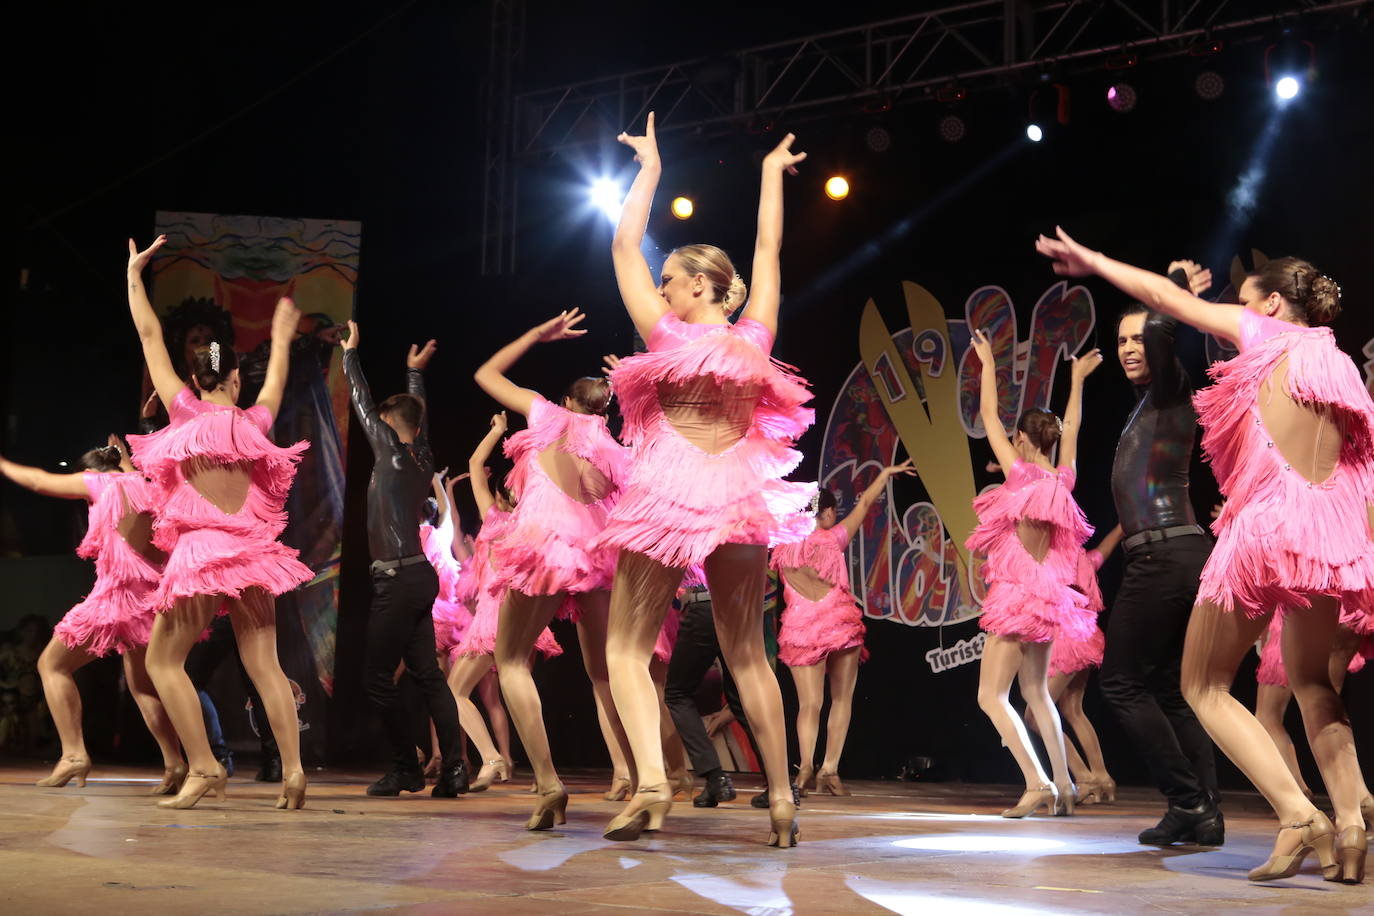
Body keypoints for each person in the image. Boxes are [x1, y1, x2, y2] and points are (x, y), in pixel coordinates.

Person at [1037, 229, 1373, 884]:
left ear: (1271, 304)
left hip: (1266, 526)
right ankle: (1352, 824)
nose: (1236, 315)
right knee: (1314, 685)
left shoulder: (1267, 334)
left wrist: (1095, 260)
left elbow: (1166, 300)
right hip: (1327, 536)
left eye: (1245, 303)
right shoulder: (1338, 365)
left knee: (1202, 684)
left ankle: (1299, 816)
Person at [599, 113, 815, 845]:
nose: (660, 290)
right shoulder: (756, 336)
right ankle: (781, 799)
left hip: (670, 492)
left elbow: (623, 244)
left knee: (626, 649)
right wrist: (769, 175)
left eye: (668, 280)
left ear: (699, 284)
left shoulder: (665, 334)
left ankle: (652, 784)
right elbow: (769, 248)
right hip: (740, 496)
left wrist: (651, 171)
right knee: (748, 652)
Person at [124, 235, 311, 810]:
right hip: (252, 551)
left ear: (196, 378)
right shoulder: (255, 421)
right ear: (234, 380)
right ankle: (295, 772)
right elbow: (277, 379)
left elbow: (150, 335)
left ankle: (204, 766)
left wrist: (134, 276)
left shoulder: (183, 410)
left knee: (161, 660)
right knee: (265, 664)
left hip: (204, 550)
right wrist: (281, 337)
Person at [473, 312, 634, 831]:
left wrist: (535, 335)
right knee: (609, 673)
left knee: (510, 661)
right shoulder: (613, 448)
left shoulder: (545, 415)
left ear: (568, 401)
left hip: (545, 549)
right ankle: (643, 776)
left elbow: (486, 375)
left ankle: (548, 783)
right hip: (596, 560)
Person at [1095, 259, 1225, 846]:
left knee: (1121, 683)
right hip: (1176, 555)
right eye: (1121, 340)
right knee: (1170, 688)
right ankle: (1204, 812)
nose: (1129, 348)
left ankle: (1188, 799)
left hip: (1165, 557)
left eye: (1137, 338)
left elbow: (1162, 334)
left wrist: (1171, 290)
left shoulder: (1172, 386)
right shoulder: (1148, 405)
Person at [967, 327, 1101, 817]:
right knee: (1037, 692)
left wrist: (988, 364)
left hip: (1017, 596)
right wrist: (1077, 381)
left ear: (1021, 439)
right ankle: (1064, 785)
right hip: (1048, 596)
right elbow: (1074, 427)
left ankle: (1038, 781)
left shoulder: (1020, 473)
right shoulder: (1065, 479)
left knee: (990, 696)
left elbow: (987, 416)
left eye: (1015, 438)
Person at [0, 438, 183, 792]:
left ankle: (73, 755)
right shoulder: (146, 487)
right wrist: (128, 462)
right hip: (150, 600)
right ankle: (174, 764)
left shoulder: (99, 482)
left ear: (88, 471)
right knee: (143, 686)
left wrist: (3, 464)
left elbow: (38, 481)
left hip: (116, 597)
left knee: (51, 665)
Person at [341, 321, 467, 798]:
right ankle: (453, 769)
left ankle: (407, 768)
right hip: (419, 577)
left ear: (391, 425)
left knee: (376, 679)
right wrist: (414, 375)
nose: (375, 426)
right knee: (428, 676)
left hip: (396, 579)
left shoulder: (395, 455)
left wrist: (350, 355)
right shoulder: (422, 455)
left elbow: (361, 403)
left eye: (382, 421)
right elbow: (420, 420)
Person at [773, 460, 915, 797]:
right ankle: (830, 769)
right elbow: (864, 505)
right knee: (841, 699)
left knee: (809, 705)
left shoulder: (782, 546)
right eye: (833, 512)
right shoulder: (833, 538)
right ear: (826, 513)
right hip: (838, 624)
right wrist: (885, 474)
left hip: (800, 630)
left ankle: (804, 768)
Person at [1026, 524, 1124, 803]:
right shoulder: (1084, 560)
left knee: (1034, 715)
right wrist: (1122, 526)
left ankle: (1084, 776)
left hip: (1067, 638)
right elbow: (1104, 549)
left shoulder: (1052, 562)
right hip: (1087, 634)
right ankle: (1102, 777)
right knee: (1073, 710)